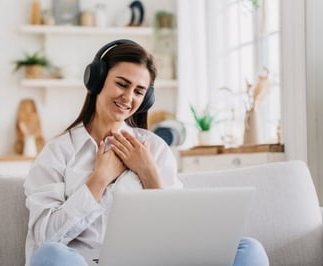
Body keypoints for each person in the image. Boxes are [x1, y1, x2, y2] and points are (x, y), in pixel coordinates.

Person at [24, 39, 269, 266]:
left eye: (139, 91)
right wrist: (98, 180)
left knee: (248, 249)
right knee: (50, 255)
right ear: (97, 80)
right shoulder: (58, 152)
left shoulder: (154, 149)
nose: (128, 97)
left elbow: (178, 236)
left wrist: (148, 172)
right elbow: (45, 238)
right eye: (122, 84)